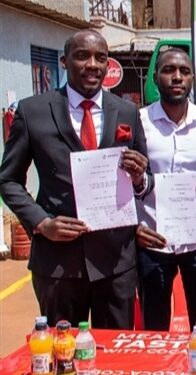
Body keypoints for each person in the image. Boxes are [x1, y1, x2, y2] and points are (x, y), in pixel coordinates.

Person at [0, 30, 152, 328]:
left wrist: (139, 178)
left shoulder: (128, 111)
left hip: (116, 264)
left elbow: (145, 181)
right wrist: (42, 223)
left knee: (115, 358)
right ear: (64, 61)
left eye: (101, 58)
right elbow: (8, 180)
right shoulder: (32, 112)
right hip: (58, 263)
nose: (93, 64)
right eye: (82, 56)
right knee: (64, 355)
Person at [135, 48, 196, 331]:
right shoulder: (138, 122)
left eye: (184, 72)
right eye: (168, 70)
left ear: (193, 78)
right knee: (154, 326)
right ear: (155, 76)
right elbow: (124, 182)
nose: (177, 77)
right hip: (151, 241)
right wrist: (132, 228)